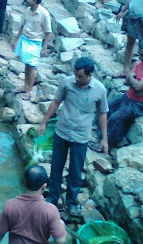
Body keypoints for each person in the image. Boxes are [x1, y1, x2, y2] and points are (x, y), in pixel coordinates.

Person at [37, 57, 108, 217]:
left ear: (90, 74)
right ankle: (53, 198)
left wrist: (104, 138)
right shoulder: (67, 83)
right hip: (62, 132)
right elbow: (55, 102)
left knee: (76, 171)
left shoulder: (100, 90)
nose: (77, 78)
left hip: (81, 137)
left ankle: (72, 204)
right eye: (75, 75)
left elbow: (102, 113)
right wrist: (43, 122)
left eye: (80, 76)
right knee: (56, 167)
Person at [90, 39, 143, 150]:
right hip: (130, 96)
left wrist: (133, 81)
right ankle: (99, 133)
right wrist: (134, 82)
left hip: (142, 103)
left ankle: (106, 144)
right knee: (107, 107)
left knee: (116, 118)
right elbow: (129, 82)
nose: (139, 58)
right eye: (139, 54)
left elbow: (135, 84)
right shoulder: (141, 63)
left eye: (142, 55)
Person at [0, 165, 67, 244]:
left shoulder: (10, 205)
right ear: (44, 186)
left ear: (23, 183)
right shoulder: (51, 211)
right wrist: (62, 227)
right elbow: (61, 241)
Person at [11, 0, 52, 101]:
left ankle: (29, 91)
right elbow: (22, 26)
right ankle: (25, 86)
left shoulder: (44, 14)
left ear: (35, 1)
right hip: (25, 40)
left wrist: (44, 48)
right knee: (26, 63)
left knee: (32, 65)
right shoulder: (27, 11)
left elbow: (48, 32)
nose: (26, 0)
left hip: (35, 42)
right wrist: (16, 40)